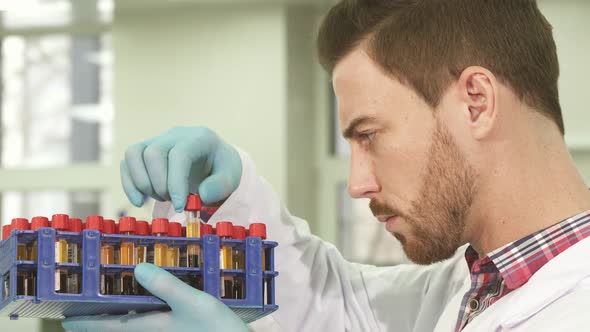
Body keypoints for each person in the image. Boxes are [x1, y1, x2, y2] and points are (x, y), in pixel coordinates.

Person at [62, 0, 590, 331]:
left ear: (476, 101)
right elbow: (339, 305)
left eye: (369, 135)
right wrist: (230, 199)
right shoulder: (470, 286)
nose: (357, 184)